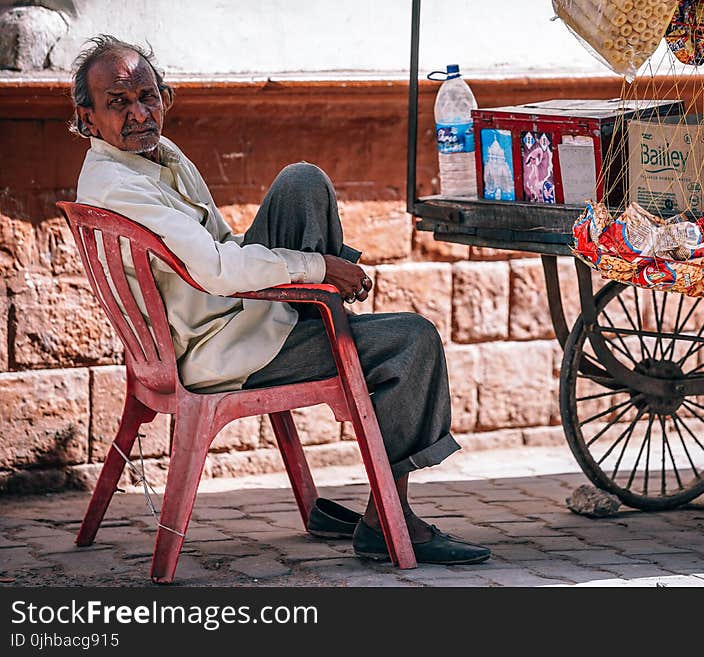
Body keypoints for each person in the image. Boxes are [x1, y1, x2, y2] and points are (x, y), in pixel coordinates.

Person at [69, 34, 490, 565]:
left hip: (232, 317)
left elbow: (223, 244)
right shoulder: (118, 184)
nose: (138, 114)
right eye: (118, 104)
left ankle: (329, 323)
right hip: (222, 349)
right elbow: (220, 270)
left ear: (165, 97)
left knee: (301, 183)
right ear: (87, 119)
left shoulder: (157, 156)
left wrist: (306, 269)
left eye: (148, 97)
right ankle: (390, 519)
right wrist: (319, 267)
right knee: (412, 340)